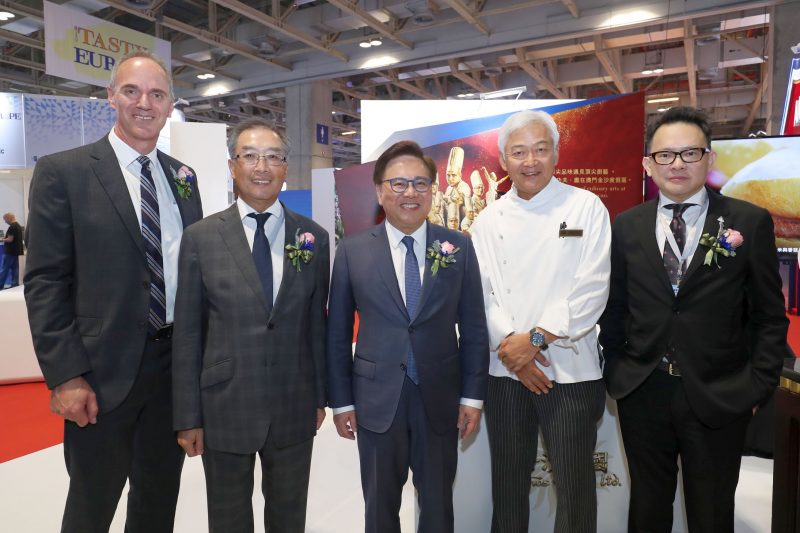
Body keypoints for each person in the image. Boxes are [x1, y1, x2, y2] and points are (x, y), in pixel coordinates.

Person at [23, 50, 203, 533]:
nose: (145, 103)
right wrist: (66, 377)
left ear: (170, 106)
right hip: (99, 377)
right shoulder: (64, 172)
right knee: (91, 505)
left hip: (171, 374)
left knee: (158, 503)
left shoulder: (184, 179)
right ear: (110, 97)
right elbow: (45, 281)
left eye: (157, 94)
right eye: (131, 91)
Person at [599, 106, 789, 532]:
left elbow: (769, 316)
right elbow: (615, 307)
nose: (677, 164)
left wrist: (758, 384)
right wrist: (618, 370)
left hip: (720, 391)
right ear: (648, 164)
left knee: (711, 512)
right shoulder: (627, 225)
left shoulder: (748, 221)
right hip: (644, 390)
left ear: (709, 158)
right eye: (665, 155)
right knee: (647, 509)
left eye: (690, 153)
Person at [172, 118, 330, 533]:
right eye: (251, 156)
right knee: (228, 520)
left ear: (286, 168)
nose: (262, 167)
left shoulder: (312, 238)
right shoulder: (202, 237)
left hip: (293, 403)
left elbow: (317, 324)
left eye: (273, 157)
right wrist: (188, 415)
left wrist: (319, 396)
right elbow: (187, 334)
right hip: (224, 405)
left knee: (289, 518)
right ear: (232, 165)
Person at [327, 140, 488, 533]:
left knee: (438, 507)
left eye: (419, 183)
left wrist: (471, 396)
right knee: (380, 508)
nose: (409, 193)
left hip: (439, 398)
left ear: (432, 190)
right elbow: (337, 334)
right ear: (380, 190)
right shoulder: (352, 251)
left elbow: (473, 327)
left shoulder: (458, 247)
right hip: (376, 400)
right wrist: (342, 401)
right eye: (398, 183)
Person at [469, 109, 611, 533]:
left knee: (575, 489)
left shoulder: (585, 207)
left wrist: (532, 341)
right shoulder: (487, 220)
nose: (530, 161)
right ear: (503, 160)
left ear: (556, 153)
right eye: (518, 152)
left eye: (540, 149)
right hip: (506, 372)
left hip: (570, 370)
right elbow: (481, 295)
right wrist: (514, 351)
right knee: (508, 485)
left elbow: (592, 288)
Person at [1, 212, 23, 289]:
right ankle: (14, 285)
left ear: (9, 218)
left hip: (9, 252)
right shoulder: (18, 226)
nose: (5, 221)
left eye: (5, 219)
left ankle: (0, 284)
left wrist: (1, 239)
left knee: (4, 269)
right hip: (16, 251)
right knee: (15, 269)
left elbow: (10, 239)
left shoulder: (12, 227)